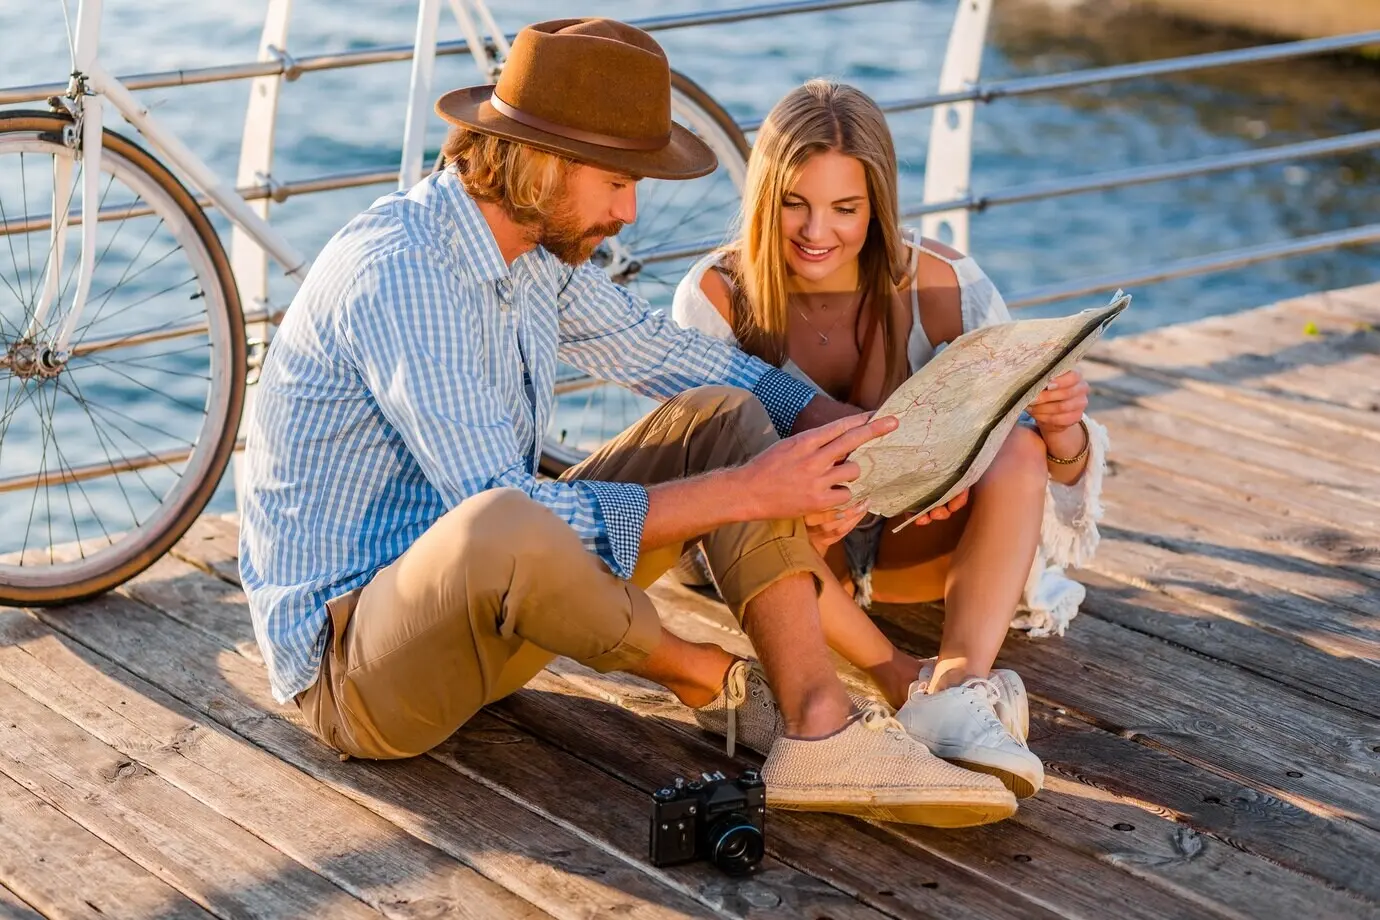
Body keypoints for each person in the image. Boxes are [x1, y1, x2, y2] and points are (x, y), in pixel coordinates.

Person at [239, 20, 1019, 827]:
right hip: (363, 677)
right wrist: (746, 492)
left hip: (494, 622)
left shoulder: (530, 253)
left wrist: (844, 429)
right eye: (618, 182)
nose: (631, 210)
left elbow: (668, 353)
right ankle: (706, 676)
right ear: (545, 164)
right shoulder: (405, 276)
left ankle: (820, 727)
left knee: (722, 416)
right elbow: (501, 516)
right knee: (505, 517)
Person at [673, 79, 1109, 799]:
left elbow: (1050, 471)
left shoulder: (941, 283)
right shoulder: (717, 298)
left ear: (879, 206)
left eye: (846, 209)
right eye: (794, 203)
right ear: (762, 198)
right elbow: (706, 482)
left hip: (922, 551)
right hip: (806, 563)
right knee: (755, 496)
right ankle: (896, 675)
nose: (818, 233)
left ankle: (960, 686)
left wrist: (1061, 434)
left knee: (1019, 447)